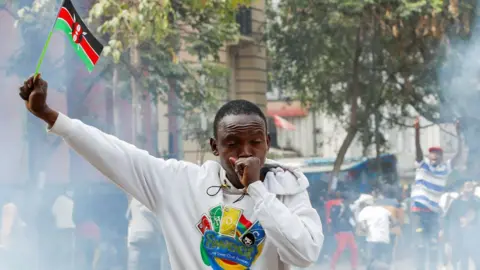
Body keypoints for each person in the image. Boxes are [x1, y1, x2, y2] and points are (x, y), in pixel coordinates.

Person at [18, 75, 324, 269]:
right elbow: (115, 153)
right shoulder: (181, 182)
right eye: (233, 143)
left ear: (268, 143)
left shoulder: (287, 188)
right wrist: (49, 115)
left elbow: (305, 253)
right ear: (215, 147)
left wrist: (257, 189)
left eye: (255, 142)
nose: (245, 153)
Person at [411, 117, 462, 270]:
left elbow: (458, 154)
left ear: (441, 157)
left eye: (437, 153)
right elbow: (418, 149)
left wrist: (458, 134)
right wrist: (417, 131)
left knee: (433, 245)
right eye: (432, 153)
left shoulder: (445, 169)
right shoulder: (423, 164)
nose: (434, 155)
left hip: (433, 212)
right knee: (420, 245)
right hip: (418, 211)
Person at [443, 181, 480, 270]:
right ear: (462, 188)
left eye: (470, 186)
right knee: (462, 262)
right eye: (466, 186)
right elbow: (447, 219)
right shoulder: (455, 203)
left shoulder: (477, 201)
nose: (469, 188)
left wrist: (471, 222)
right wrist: (447, 235)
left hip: (474, 237)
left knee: (477, 260)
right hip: (459, 237)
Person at [127, 197, 169, 270]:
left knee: (134, 260)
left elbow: (128, 216)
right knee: (151, 257)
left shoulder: (134, 199)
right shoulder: (147, 198)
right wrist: (160, 228)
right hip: (147, 233)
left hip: (133, 235)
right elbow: (146, 210)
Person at [357, 205, 393, 270]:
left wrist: (365, 231)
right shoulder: (383, 209)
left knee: (370, 262)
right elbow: (394, 221)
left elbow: (363, 228)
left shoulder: (364, 211)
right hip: (385, 240)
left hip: (372, 240)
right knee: (385, 262)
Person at [329, 194, 358, 270]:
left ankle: (354, 267)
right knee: (340, 249)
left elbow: (351, 219)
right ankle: (332, 266)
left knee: (354, 249)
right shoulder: (337, 208)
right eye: (348, 200)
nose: (349, 202)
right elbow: (333, 221)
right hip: (341, 232)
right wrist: (335, 232)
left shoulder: (348, 208)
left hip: (349, 232)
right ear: (344, 200)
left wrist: (353, 230)